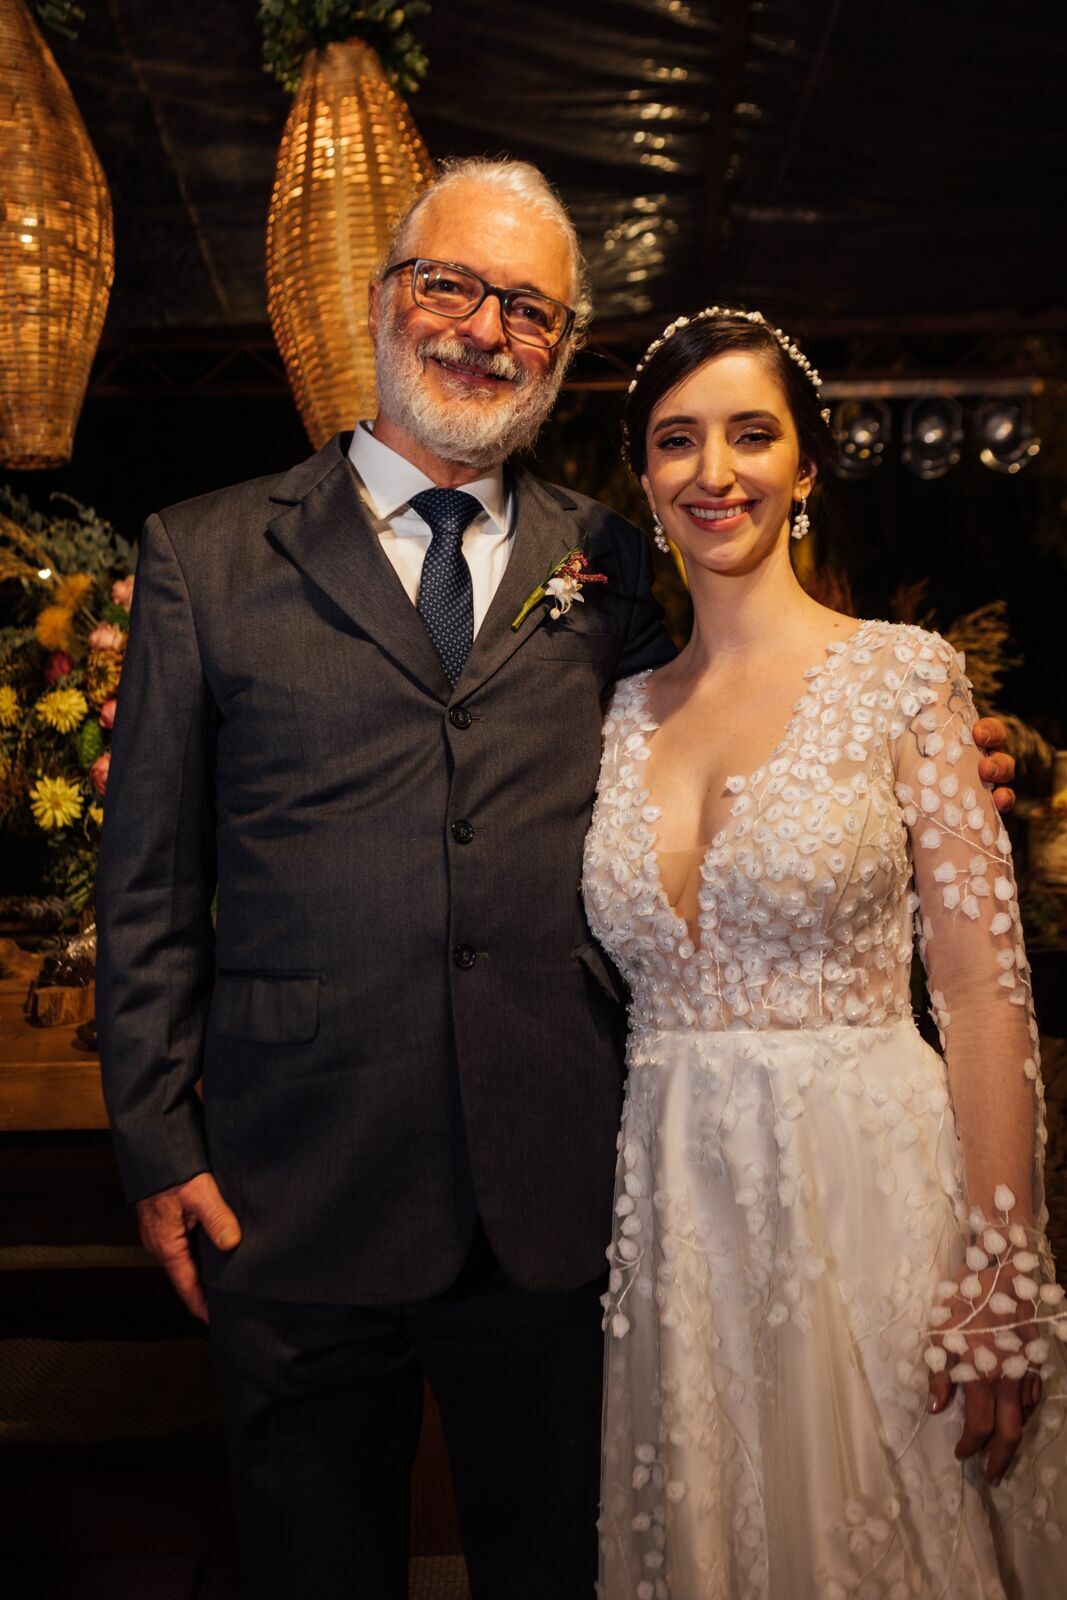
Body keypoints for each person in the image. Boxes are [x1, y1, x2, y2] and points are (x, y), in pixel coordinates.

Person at [94, 158, 1015, 1599]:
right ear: (388, 300)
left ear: (564, 345)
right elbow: (145, 878)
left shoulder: (604, 561)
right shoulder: (206, 558)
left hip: (557, 1210)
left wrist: (939, 768)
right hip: (294, 1197)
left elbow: (750, 725)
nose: (481, 328)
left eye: (526, 306)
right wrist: (157, 1140)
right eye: (450, 285)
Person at [585, 306, 1066, 1598]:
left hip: (867, 1191)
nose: (714, 470)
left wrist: (1004, 1270)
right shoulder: (617, 715)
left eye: (753, 434)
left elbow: (982, 995)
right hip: (680, 1204)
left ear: (806, 468)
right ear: (645, 477)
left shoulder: (906, 682)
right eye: (678, 442)